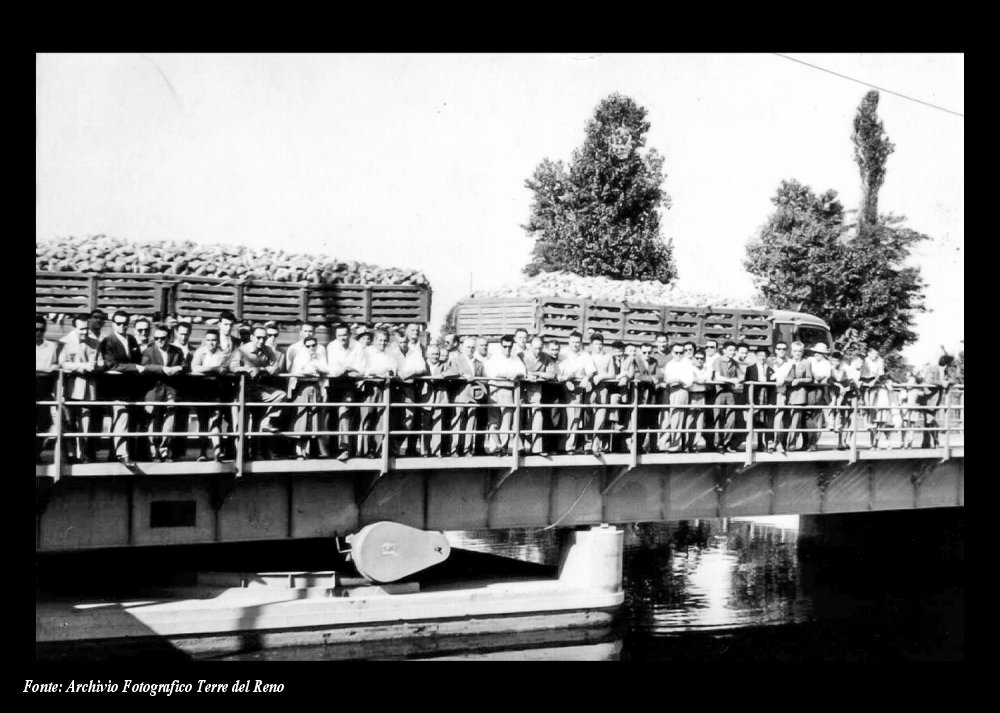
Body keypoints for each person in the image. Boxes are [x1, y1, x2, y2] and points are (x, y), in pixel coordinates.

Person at [229, 325, 287, 459]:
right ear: (252, 337)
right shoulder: (241, 350)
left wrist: (261, 369)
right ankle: (241, 456)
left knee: (280, 395)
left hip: (258, 389)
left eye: (264, 338)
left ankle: (265, 424)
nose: (261, 341)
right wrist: (248, 369)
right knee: (241, 426)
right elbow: (233, 367)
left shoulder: (268, 350)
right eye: (259, 338)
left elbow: (275, 367)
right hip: (242, 390)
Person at [99, 310, 148, 466]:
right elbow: (111, 364)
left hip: (132, 388)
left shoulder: (132, 339)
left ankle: (119, 454)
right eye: (119, 323)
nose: (122, 326)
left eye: (125, 324)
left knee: (130, 421)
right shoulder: (108, 341)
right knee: (122, 418)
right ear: (113, 324)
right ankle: (122, 454)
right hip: (117, 388)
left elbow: (139, 360)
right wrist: (134, 367)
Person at [141, 324, 186, 462]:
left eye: (162, 338)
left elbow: (185, 366)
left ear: (169, 338)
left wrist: (178, 368)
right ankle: (153, 451)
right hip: (153, 390)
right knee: (152, 420)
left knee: (170, 419)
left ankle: (164, 450)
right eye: (156, 338)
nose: (159, 340)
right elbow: (145, 366)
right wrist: (163, 369)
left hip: (170, 389)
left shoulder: (177, 351)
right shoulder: (149, 350)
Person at [59, 315, 101, 462]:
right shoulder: (64, 342)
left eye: (87, 329)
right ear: (74, 328)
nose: (85, 332)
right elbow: (63, 363)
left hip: (89, 390)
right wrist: (82, 367)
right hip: (70, 389)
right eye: (81, 329)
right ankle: (70, 455)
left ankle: (82, 454)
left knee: (86, 423)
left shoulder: (96, 342)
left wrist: (97, 367)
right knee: (69, 423)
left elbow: (101, 362)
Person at [288, 334, 330, 459]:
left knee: (312, 420)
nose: (311, 348)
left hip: (315, 388)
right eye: (308, 346)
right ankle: (297, 450)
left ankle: (306, 450)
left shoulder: (319, 356)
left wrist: (317, 369)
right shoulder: (300, 356)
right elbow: (296, 371)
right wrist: (309, 371)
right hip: (303, 388)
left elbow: (326, 370)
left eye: (313, 345)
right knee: (301, 418)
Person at [189, 329, 229, 461]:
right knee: (203, 422)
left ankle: (217, 451)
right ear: (205, 340)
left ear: (217, 341)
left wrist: (206, 369)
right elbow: (195, 368)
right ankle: (202, 452)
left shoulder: (223, 354)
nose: (211, 343)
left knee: (216, 420)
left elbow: (222, 370)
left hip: (216, 390)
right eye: (209, 340)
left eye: (214, 340)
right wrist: (212, 369)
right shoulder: (200, 352)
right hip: (201, 390)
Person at [484, 334, 527, 455]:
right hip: (494, 389)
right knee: (494, 420)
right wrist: (509, 374)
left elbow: (523, 372)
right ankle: (497, 446)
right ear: (500, 346)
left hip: (508, 390)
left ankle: (503, 447)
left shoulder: (515, 358)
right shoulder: (494, 358)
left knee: (506, 421)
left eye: (509, 347)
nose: (507, 349)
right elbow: (493, 373)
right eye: (505, 346)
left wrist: (516, 374)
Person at [359, 328, 398, 458]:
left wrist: (387, 372)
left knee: (381, 418)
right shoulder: (367, 352)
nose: (383, 343)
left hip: (384, 387)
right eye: (380, 340)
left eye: (385, 340)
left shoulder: (390, 352)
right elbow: (365, 369)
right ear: (375, 340)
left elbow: (393, 369)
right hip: (370, 387)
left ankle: (378, 449)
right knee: (367, 417)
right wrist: (378, 372)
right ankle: (366, 450)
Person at [446, 336, 485, 457]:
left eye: (473, 347)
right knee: (458, 422)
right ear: (462, 348)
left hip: (474, 397)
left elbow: (484, 379)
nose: (471, 349)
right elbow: (449, 374)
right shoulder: (456, 360)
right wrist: (463, 375)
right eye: (468, 347)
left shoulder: (479, 363)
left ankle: (467, 449)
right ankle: (455, 449)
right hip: (460, 395)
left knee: (470, 424)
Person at [326, 323, 361, 461]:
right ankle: (332, 449)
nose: (342, 338)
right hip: (334, 384)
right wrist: (347, 369)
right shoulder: (331, 347)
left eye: (345, 335)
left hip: (350, 385)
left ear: (349, 335)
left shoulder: (357, 346)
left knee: (344, 412)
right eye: (339, 335)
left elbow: (360, 369)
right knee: (332, 416)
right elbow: (333, 370)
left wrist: (348, 369)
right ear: (336, 336)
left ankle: (345, 449)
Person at [559, 331, 597, 454]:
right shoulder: (563, 353)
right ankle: (559, 445)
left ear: (581, 343)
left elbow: (591, 371)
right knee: (560, 417)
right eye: (573, 342)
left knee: (574, 416)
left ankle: (570, 446)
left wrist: (586, 377)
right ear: (569, 342)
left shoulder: (585, 355)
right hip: (561, 385)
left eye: (578, 342)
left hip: (576, 387)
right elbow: (558, 369)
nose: (575, 344)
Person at [395, 323, 428, 456]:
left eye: (417, 330)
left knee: (414, 418)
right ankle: (394, 447)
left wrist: (411, 372)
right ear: (407, 332)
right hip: (400, 386)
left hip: (416, 385)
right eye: (412, 330)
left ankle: (412, 448)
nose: (415, 332)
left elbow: (423, 367)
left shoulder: (420, 348)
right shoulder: (398, 347)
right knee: (401, 417)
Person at [520, 335, 556, 455]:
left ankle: (537, 449)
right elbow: (518, 370)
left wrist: (536, 373)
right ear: (530, 347)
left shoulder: (546, 357)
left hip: (536, 391)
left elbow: (552, 374)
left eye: (540, 348)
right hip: (521, 390)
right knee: (520, 416)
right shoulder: (521, 355)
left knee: (537, 416)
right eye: (535, 348)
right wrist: (527, 375)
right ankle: (519, 448)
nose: (538, 351)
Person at [658, 343, 695, 453]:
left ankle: (675, 445)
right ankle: (663, 444)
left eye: (681, 352)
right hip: (668, 390)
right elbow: (666, 378)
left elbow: (689, 381)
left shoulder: (687, 363)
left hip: (680, 390)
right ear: (672, 352)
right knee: (665, 417)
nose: (678, 354)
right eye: (676, 352)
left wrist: (678, 380)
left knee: (677, 418)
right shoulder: (670, 364)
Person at [35, 316, 60, 464]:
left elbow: (55, 365)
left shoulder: (51, 346)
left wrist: (53, 368)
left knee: (44, 423)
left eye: (41, 330)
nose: (38, 332)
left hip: (44, 388)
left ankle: (37, 453)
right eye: (35, 329)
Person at [587, 333, 617, 454]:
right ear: (591, 345)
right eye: (596, 344)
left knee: (600, 417)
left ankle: (596, 445)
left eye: (600, 344)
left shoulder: (608, 356)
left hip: (602, 388)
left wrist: (601, 376)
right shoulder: (587, 356)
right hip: (589, 388)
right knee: (588, 416)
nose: (598, 346)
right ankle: (587, 444)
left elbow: (612, 374)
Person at [421, 343, 451, 457]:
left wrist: (443, 375)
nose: (435, 356)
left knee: (438, 425)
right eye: (433, 354)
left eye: (437, 354)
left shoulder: (444, 365)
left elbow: (454, 372)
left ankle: (436, 450)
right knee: (426, 425)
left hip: (440, 398)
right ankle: (425, 451)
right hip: (426, 398)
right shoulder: (424, 365)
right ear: (427, 354)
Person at [918, 354, 955, 449]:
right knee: (929, 421)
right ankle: (935, 441)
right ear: (946, 364)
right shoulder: (932, 369)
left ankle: (926, 443)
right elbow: (929, 381)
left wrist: (948, 382)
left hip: (936, 400)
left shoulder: (944, 371)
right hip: (929, 399)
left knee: (928, 421)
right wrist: (942, 383)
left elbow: (953, 380)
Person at [860, 346, 892, 449]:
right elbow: (860, 373)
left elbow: (879, 374)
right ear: (869, 353)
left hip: (875, 385)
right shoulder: (864, 360)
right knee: (868, 406)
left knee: (878, 421)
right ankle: (872, 440)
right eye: (873, 354)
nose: (875, 356)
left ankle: (876, 443)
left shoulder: (880, 361)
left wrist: (874, 382)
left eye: (876, 354)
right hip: (865, 381)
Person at [712, 341, 742, 453]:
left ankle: (726, 442)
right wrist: (732, 380)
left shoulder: (735, 362)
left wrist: (737, 381)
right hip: (719, 392)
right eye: (730, 350)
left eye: (734, 350)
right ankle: (718, 444)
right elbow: (718, 376)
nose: (732, 352)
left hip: (730, 392)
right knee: (718, 418)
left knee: (731, 418)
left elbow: (740, 376)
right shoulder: (718, 360)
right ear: (724, 350)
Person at [784, 341, 814, 451]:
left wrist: (799, 380)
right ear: (791, 351)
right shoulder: (787, 361)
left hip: (800, 394)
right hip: (787, 393)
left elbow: (810, 378)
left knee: (796, 421)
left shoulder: (806, 363)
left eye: (800, 351)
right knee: (786, 419)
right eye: (795, 351)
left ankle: (792, 444)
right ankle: (782, 443)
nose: (797, 353)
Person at [744, 346, 774, 452]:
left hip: (766, 396)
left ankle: (767, 443)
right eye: (760, 355)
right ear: (756, 356)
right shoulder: (750, 369)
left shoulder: (770, 369)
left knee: (766, 420)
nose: (763, 357)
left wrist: (771, 401)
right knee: (757, 420)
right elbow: (746, 386)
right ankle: (759, 442)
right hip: (755, 396)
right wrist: (748, 400)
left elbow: (772, 386)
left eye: (765, 356)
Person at [804, 343, 832, 451]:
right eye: (816, 352)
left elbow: (824, 379)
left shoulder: (826, 364)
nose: (817, 354)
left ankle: (813, 442)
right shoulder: (810, 360)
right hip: (808, 389)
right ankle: (807, 442)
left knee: (817, 416)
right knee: (807, 416)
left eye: (820, 353)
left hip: (819, 389)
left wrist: (817, 378)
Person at [687, 349, 712, 452]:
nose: (699, 360)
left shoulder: (707, 368)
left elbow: (708, 381)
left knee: (699, 421)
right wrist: (697, 380)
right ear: (693, 358)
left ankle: (695, 444)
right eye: (697, 358)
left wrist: (700, 380)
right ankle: (687, 443)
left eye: (702, 358)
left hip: (702, 395)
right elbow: (690, 379)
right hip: (691, 395)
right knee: (690, 419)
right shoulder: (689, 367)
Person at [771, 341, 793, 453]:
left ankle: (778, 443)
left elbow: (792, 377)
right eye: (779, 349)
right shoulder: (770, 361)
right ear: (775, 350)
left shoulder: (789, 362)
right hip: (769, 392)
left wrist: (784, 379)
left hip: (781, 392)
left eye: (784, 349)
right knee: (770, 418)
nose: (781, 351)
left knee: (779, 417)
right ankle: (770, 443)